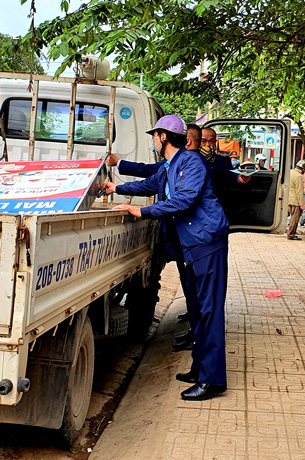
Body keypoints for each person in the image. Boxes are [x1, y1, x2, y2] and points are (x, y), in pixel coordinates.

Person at [102, 115, 229, 401]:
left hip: (208, 243)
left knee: (209, 312)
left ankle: (213, 380)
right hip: (193, 245)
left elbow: (185, 199)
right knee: (198, 310)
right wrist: (116, 189)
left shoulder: (191, 162)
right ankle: (200, 369)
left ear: (163, 137)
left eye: (155, 136)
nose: (153, 141)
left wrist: (142, 212)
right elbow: (149, 184)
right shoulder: (171, 166)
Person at [287, 160, 305, 240]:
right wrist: (302, 203)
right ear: (303, 169)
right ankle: (291, 234)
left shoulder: (290, 173)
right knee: (295, 219)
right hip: (296, 201)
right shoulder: (299, 176)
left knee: (292, 218)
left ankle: (291, 233)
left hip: (289, 199)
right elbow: (299, 191)